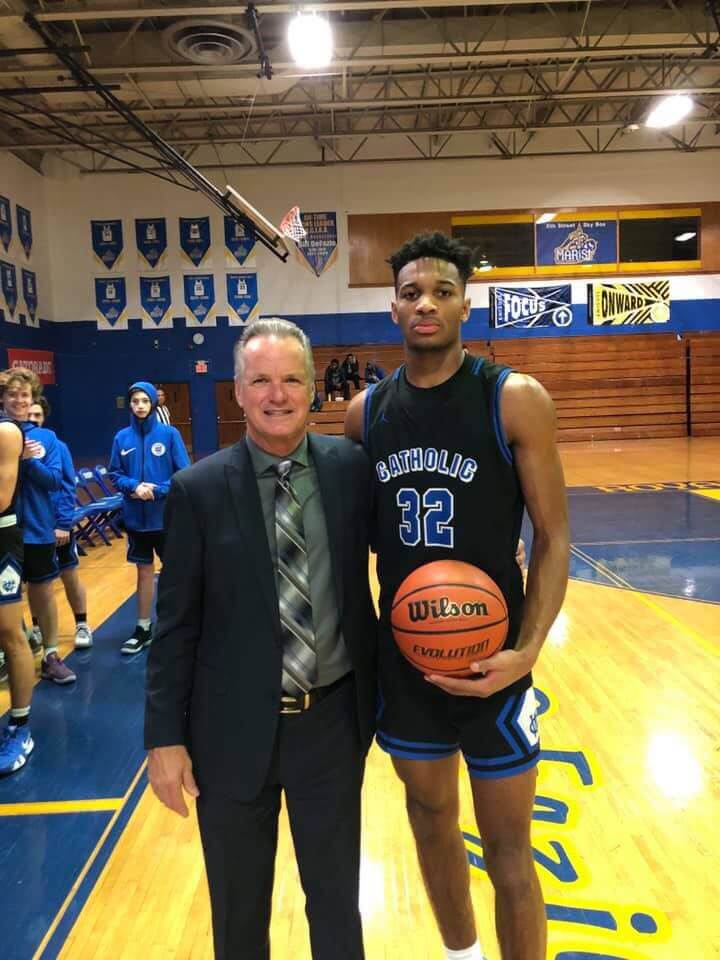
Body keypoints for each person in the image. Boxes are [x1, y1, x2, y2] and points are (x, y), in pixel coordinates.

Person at [346, 232, 569, 960]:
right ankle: (461, 956)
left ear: (465, 304)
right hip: (408, 667)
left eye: (441, 291)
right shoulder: (366, 415)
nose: (426, 304)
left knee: (509, 848)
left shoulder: (514, 399)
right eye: (412, 293)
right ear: (393, 308)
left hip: (497, 669)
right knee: (428, 818)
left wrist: (526, 651)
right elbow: (355, 547)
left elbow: (554, 538)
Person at [145, 318, 377, 960]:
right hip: (228, 736)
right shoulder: (196, 490)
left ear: (312, 389)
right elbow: (174, 628)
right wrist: (164, 737)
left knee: (336, 906)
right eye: (261, 381)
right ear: (238, 393)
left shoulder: (350, 470)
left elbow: (405, 559)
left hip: (330, 725)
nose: (278, 394)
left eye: (291, 379)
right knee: (239, 916)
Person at [3, 368, 75, 685]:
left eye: (25, 395)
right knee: (7, 597)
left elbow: (53, 481)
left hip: (36, 528)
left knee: (42, 592)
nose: (19, 400)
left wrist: (28, 460)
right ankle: (13, 648)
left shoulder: (47, 439)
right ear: (3, 399)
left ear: (33, 399)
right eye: (12, 394)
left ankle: (50, 653)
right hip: (4, 531)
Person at [109, 381, 189, 656]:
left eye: (145, 400)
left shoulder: (169, 434)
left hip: (166, 517)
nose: (140, 405)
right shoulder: (121, 438)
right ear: (130, 405)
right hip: (136, 520)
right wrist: (134, 487)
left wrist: (158, 491)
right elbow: (115, 474)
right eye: (135, 401)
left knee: (176, 572)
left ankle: (180, 625)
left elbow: (183, 474)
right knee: (143, 572)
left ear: (153, 403)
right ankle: (143, 628)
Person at [27, 398, 93, 649]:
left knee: (69, 574)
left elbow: (66, 485)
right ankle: (36, 628)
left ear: (44, 417)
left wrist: (64, 523)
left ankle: (82, 624)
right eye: (29, 415)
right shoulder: (13, 442)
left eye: (37, 415)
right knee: (36, 582)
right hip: (30, 527)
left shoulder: (56, 446)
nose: (32, 419)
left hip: (56, 525)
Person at [0, 394, 36, 773]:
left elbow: (1, 497)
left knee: (10, 633)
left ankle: (20, 726)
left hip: (1, 539)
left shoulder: (7, 431)